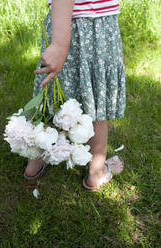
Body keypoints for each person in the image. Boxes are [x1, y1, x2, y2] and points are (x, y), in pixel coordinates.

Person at [24, 0, 125, 191]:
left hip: (65, 24)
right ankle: (96, 172)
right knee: (96, 101)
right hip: (94, 27)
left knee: (50, 97)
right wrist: (60, 44)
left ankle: (34, 164)